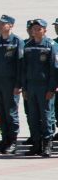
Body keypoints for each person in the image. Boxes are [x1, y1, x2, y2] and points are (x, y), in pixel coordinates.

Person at [20, 18, 57, 156]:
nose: (35, 31)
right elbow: (23, 69)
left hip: (44, 87)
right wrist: (24, 88)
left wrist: (51, 88)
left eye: (39, 29)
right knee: (33, 116)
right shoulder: (28, 46)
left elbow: (54, 69)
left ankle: (47, 144)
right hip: (31, 86)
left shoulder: (51, 45)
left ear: (45, 30)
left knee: (46, 116)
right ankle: (36, 144)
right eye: (34, 29)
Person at [0, 15, 23, 154]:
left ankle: (12, 141)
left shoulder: (17, 41)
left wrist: (18, 85)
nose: (0, 26)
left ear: (11, 25)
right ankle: (4, 140)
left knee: (11, 113)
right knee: (0, 113)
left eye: (4, 24)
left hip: (11, 83)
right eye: (0, 24)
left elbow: (20, 65)